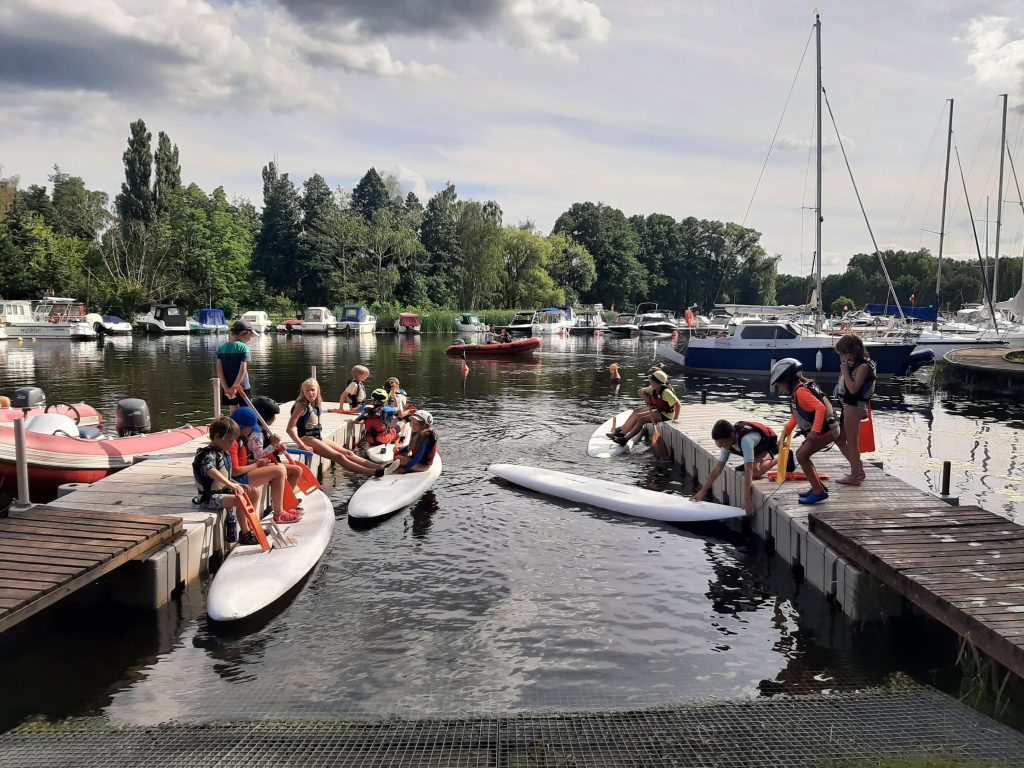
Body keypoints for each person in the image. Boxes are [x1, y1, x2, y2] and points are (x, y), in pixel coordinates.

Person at [288, 378, 397, 477]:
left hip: (317, 437)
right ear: (303, 392)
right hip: (307, 439)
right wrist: (302, 445)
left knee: (348, 453)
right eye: (307, 390)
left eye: (313, 390)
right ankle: (374, 473)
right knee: (339, 457)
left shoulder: (315, 403)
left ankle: (381, 467)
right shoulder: (301, 405)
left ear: (317, 390)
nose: (310, 393)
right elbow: (290, 429)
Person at [770, 357, 839, 505]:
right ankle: (817, 487)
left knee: (801, 455)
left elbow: (820, 408)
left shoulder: (801, 392)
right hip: (827, 430)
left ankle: (818, 492)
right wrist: (784, 436)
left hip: (828, 431)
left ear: (788, 379)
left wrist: (814, 432)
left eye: (780, 384)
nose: (780, 388)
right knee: (803, 455)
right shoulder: (798, 391)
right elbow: (796, 417)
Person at [191, 416, 260, 545]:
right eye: (229, 441)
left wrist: (237, 484)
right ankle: (245, 534)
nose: (231, 444)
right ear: (217, 436)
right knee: (241, 500)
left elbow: (226, 475)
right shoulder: (206, 455)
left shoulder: (223, 453)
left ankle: (252, 527)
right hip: (210, 498)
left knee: (254, 492)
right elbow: (211, 470)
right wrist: (230, 485)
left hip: (223, 492)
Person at [692, 419, 780, 516]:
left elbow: (749, 470)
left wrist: (747, 499)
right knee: (751, 466)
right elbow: (717, 468)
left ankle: (780, 457)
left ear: (732, 436)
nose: (722, 447)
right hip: (754, 450)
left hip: (766, 445)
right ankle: (763, 459)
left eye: (722, 444)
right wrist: (702, 491)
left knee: (755, 472)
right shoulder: (726, 443)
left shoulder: (746, 440)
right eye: (719, 445)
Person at [229, 407, 301, 524]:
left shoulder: (240, 440)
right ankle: (279, 513)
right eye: (250, 429)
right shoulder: (233, 443)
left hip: (243, 474)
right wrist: (257, 464)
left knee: (281, 469)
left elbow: (244, 462)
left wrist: (257, 463)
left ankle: (281, 508)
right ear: (244, 428)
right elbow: (235, 471)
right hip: (238, 479)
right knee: (278, 470)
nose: (251, 432)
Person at [834, 334, 876, 486]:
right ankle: (858, 468)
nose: (842, 358)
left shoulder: (863, 367)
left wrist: (844, 371)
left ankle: (854, 476)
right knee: (839, 439)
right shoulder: (854, 365)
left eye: (843, 354)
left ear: (852, 352)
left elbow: (853, 389)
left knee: (852, 442)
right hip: (847, 406)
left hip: (855, 406)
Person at [250, 395, 305, 496]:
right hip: (261, 464)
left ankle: (287, 495)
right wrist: (273, 444)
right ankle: (286, 499)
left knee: (297, 466)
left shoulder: (265, 430)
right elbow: (257, 456)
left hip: (270, 461)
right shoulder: (256, 434)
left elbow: (268, 449)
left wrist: (278, 449)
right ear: (265, 416)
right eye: (273, 416)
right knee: (296, 470)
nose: (275, 418)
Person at [611, 369, 681, 445]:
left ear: (658, 383)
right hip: (660, 411)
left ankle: (625, 440)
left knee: (642, 419)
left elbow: (678, 404)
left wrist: (675, 418)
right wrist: (645, 397)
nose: (650, 382)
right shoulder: (654, 388)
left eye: (652, 381)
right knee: (638, 414)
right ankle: (622, 433)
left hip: (667, 415)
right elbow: (639, 391)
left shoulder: (666, 392)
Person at [216, 320, 258, 413]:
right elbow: (243, 369)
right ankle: (246, 427)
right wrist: (235, 387)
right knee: (247, 410)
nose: (250, 339)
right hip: (242, 386)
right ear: (243, 333)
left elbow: (219, 369)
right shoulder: (244, 347)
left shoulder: (221, 348)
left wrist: (227, 388)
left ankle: (234, 427)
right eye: (249, 336)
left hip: (227, 385)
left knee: (233, 410)